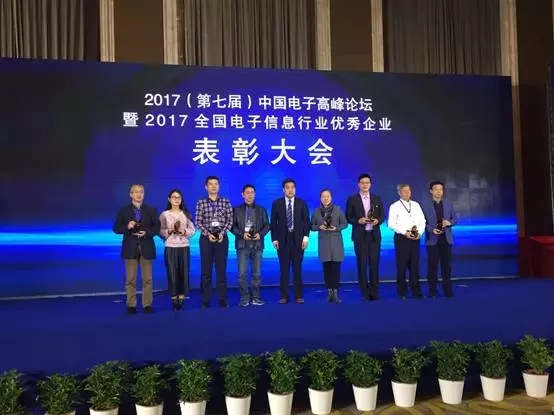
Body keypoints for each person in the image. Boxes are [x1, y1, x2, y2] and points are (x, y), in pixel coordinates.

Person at [112, 184, 160, 314]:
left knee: (147, 279)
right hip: (130, 248)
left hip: (146, 247)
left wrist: (147, 233)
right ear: (131, 194)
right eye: (136, 192)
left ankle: (147, 304)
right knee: (130, 279)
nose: (139, 194)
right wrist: (127, 227)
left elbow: (157, 228)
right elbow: (116, 228)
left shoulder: (151, 210)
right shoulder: (123, 211)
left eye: (141, 192)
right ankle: (131, 305)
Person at [345, 173, 385, 301]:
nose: (365, 185)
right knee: (362, 264)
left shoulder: (377, 198)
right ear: (358, 184)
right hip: (360, 237)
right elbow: (348, 217)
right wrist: (358, 220)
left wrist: (377, 221)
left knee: (374, 264)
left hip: (374, 236)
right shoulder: (352, 199)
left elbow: (383, 215)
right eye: (362, 183)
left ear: (370, 184)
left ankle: (374, 290)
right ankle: (365, 291)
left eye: (367, 183)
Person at [270, 178, 311, 304]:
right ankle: (284, 296)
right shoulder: (276, 203)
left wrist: (305, 238)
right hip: (282, 241)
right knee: (284, 270)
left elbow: (306, 222)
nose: (290, 190)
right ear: (283, 189)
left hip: (298, 241)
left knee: (297, 269)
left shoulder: (302, 203)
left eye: (292, 187)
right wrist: (274, 239)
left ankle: (299, 295)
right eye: (287, 187)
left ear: (295, 189)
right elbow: (273, 223)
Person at [195, 176, 233, 308]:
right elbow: (198, 222)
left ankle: (223, 299)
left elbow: (230, 220)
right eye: (210, 184)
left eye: (216, 184)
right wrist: (208, 234)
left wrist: (222, 233)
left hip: (222, 238)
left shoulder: (225, 202)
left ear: (219, 186)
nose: (213, 186)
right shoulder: (201, 203)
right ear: (206, 187)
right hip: (206, 239)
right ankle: (205, 300)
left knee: (221, 270)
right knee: (206, 271)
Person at [231, 184, 270, 307]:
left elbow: (267, 226)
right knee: (242, 274)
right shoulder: (236, 210)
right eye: (247, 192)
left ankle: (256, 297)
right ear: (242, 194)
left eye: (252, 192)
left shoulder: (261, 210)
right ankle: (244, 298)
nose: (250, 194)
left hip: (257, 245)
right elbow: (232, 226)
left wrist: (260, 234)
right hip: (242, 245)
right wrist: (242, 234)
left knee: (256, 274)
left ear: (255, 194)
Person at [159, 189, 195, 310]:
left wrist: (184, 232)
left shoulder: (186, 214)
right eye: (174, 197)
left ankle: (182, 296)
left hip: (184, 246)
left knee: (184, 272)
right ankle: (174, 297)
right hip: (170, 247)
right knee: (172, 272)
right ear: (169, 199)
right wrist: (168, 231)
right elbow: (160, 230)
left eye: (178, 197)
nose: (176, 199)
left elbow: (192, 230)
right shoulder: (164, 214)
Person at [387, 184, 425, 300]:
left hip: (415, 238)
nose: (407, 193)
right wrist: (405, 232)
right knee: (402, 265)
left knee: (414, 266)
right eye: (404, 191)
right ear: (399, 192)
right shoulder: (394, 206)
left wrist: (420, 233)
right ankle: (402, 291)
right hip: (402, 238)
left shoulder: (416, 205)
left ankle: (416, 291)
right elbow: (391, 224)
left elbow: (422, 220)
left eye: (408, 191)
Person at [422, 180, 458, 298]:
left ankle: (448, 290)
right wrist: (431, 229)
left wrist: (449, 222)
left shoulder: (448, 204)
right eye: (436, 189)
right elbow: (422, 222)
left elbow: (455, 219)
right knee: (432, 266)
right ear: (431, 191)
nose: (438, 192)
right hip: (432, 239)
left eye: (441, 189)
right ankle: (432, 290)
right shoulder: (425, 205)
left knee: (446, 266)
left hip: (446, 239)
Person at [311, 189, 348, 302]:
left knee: (336, 268)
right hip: (324, 243)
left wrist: (336, 228)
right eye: (323, 196)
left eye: (327, 196)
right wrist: (319, 227)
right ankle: (329, 292)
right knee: (326, 268)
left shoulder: (338, 209)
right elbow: (311, 226)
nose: (325, 198)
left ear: (331, 198)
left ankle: (335, 292)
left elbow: (345, 223)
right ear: (320, 198)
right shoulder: (316, 211)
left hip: (336, 242)